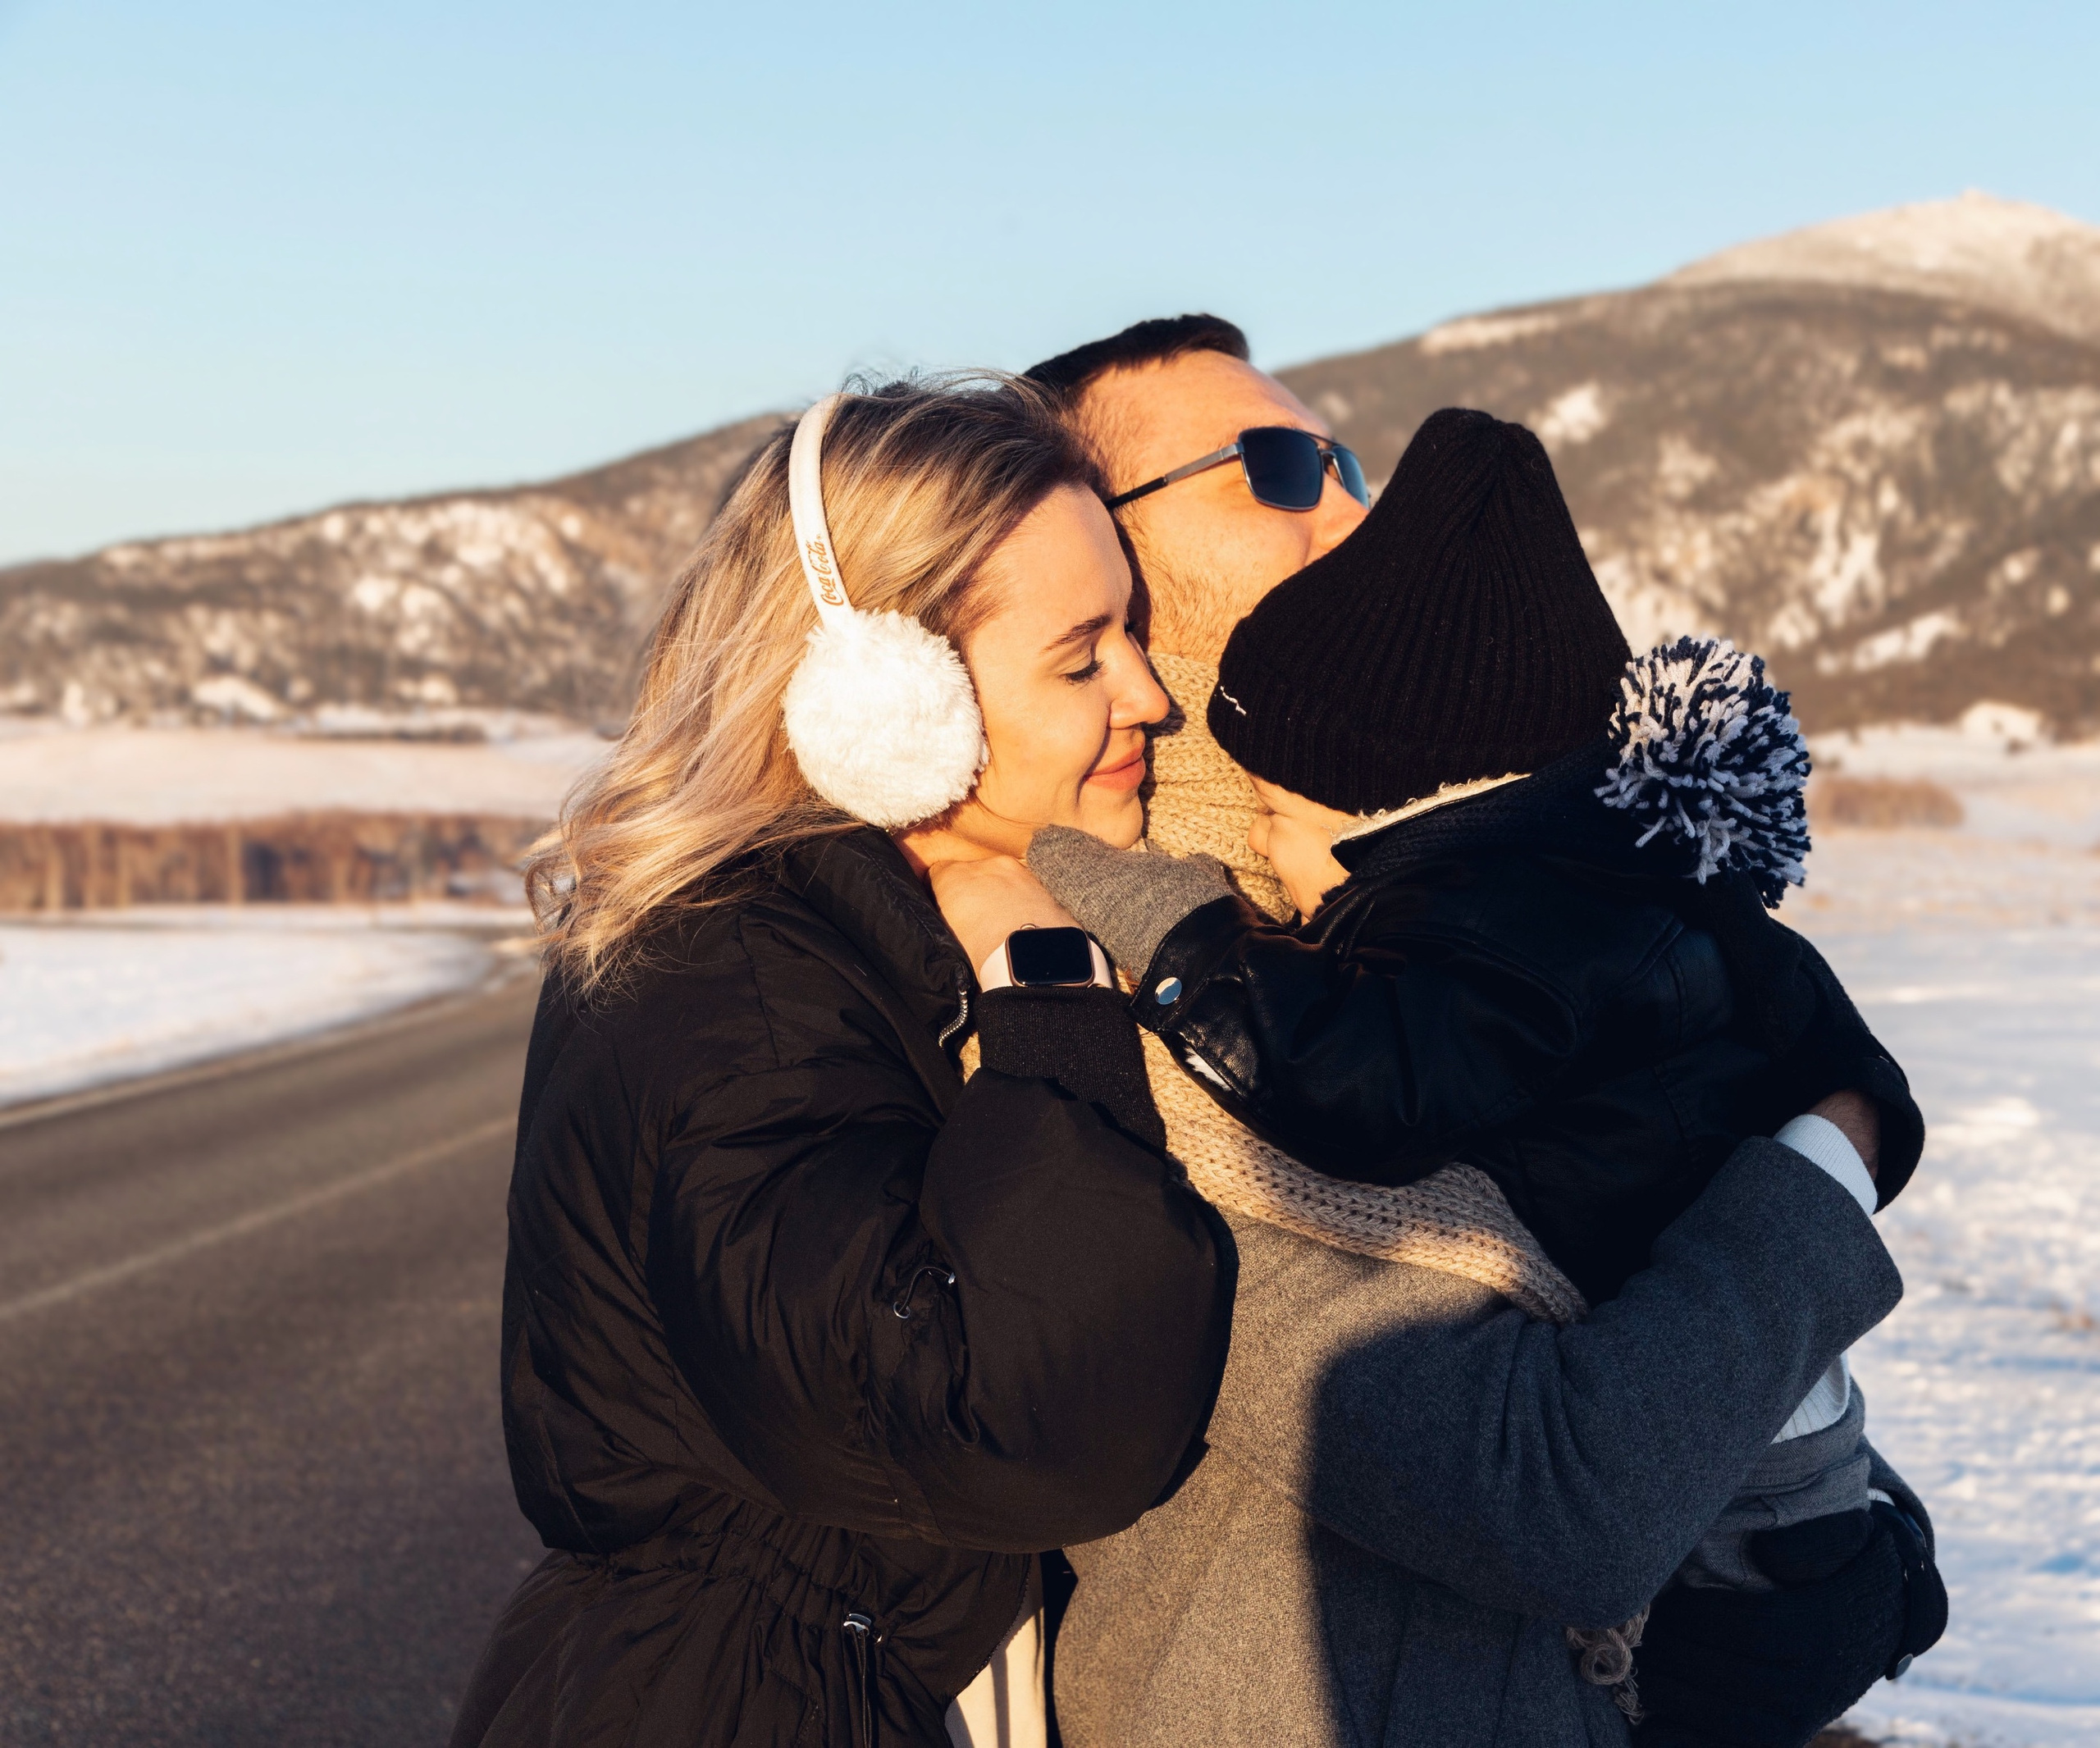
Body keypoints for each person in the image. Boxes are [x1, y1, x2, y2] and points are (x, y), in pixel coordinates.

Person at [978, 317, 1942, 1746]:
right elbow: (1563, 1500)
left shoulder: (1448, 908)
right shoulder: (1104, 986)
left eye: (1346, 457)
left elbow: (1765, 1489)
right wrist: (1821, 1163)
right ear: (1092, 555)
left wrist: (1839, 1556)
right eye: (1278, 468)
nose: (1357, 505)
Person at [448, 377, 1233, 1748]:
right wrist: (1049, 990)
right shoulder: (738, 984)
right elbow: (1033, 1413)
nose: (1150, 695)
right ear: (886, 698)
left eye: (1137, 637)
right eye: (1080, 655)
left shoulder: (823, 944)